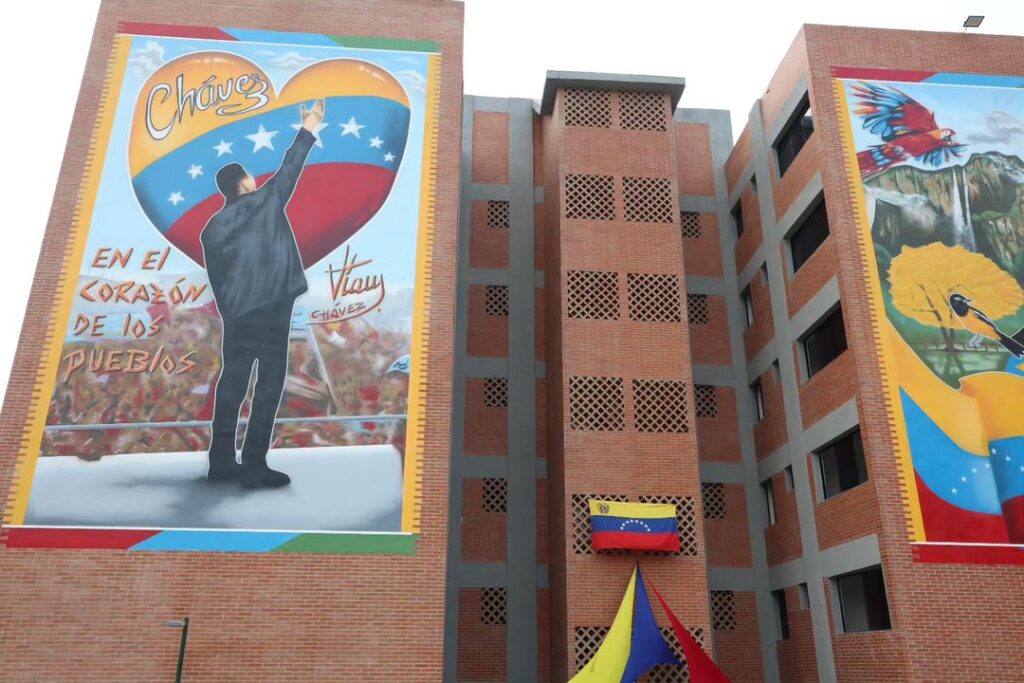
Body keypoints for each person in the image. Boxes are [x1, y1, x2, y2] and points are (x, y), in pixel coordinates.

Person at [201, 99, 324, 488]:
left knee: (232, 384)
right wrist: (308, 128)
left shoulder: (212, 229)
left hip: (238, 316)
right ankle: (254, 463)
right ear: (247, 182)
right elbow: (292, 167)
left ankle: (220, 461)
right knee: (269, 384)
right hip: (273, 309)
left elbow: (218, 280)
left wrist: (233, 310)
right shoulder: (266, 200)